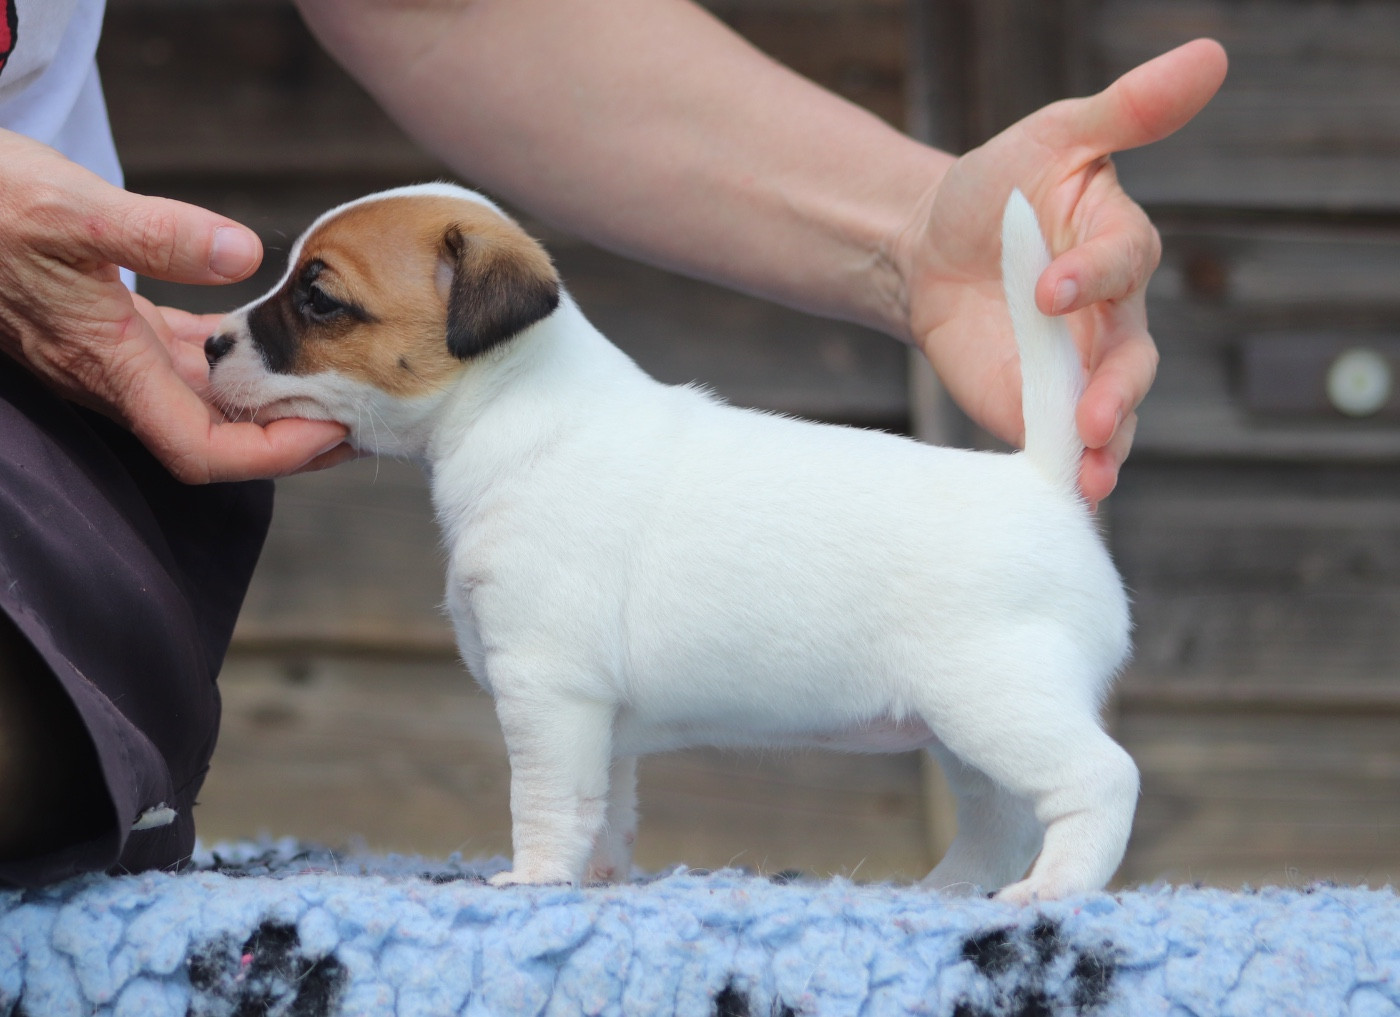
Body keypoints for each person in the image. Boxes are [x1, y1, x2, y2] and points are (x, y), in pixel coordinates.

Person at [0, 0, 1228, 886]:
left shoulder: (565, 473)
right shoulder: (560, 463)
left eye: (315, 306)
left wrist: (915, 232)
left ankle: (1074, 800)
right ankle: (951, 855)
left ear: (485, 321)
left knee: (979, 689)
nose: (243, 340)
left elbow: (455, 16)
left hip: (993, 543)